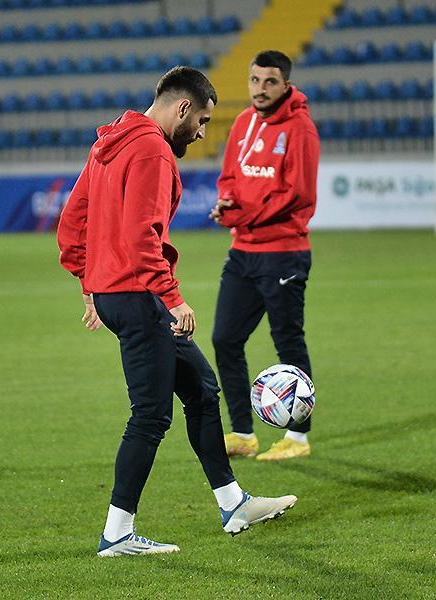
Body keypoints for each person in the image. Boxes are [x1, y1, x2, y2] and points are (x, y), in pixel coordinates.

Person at [57, 66, 297, 558]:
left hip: (119, 292)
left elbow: (72, 221)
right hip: (139, 294)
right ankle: (117, 533)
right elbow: (140, 236)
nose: (202, 133)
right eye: (202, 121)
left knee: (202, 391)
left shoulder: (111, 142)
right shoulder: (151, 148)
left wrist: (89, 283)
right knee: (149, 415)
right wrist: (172, 297)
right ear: (183, 107)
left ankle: (233, 504)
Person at [210, 50, 320, 462]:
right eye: (255, 80)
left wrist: (245, 215)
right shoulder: (243, 122)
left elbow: (298, 194)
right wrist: (227, 202)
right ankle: (243, 433)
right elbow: (229, 177)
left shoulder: (300, 128)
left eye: (270, 81)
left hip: (283, 252)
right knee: (225, 338)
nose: (260, 89)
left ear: (286, 84)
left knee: (287, 340)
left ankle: (298, 438)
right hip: (243, 250)